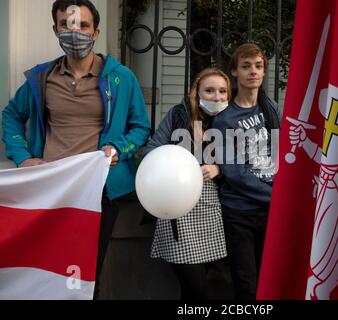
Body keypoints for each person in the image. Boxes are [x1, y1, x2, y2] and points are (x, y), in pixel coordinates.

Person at [1, 0, 151, 299]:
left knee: (84, 274)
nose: (75, 32)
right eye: (67, 25)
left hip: (98, 190)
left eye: (83, 25)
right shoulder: (41, 78)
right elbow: (11, 116)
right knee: (44, 269)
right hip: (50, 189)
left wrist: (117, 149)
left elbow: (141, 128)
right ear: (55, 29)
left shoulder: (121, 78)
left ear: (96, 32)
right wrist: (23, 157)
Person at [141, 68, 229, 300]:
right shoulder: (178, 115)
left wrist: (219, 168)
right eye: (209, 90)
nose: (216, 97)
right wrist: (179, 164)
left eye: (222, 91)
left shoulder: (232, 119)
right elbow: (152, 150)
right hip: (177, 209)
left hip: (214, 211)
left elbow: (244, 160)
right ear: (196, 92)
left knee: (197, 287)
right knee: (195, 287)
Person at [211, 43, 282, 300]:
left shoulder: (270, 108)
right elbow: (234, 173)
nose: (253, 71)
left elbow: (281, 152)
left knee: (269, 278)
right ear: (234, 72)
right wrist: (277, 199)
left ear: (263, 72)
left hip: (269, 211)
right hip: (239, 212)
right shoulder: (225, 119)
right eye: (246, 66)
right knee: (246, 283)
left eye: (258, 66)